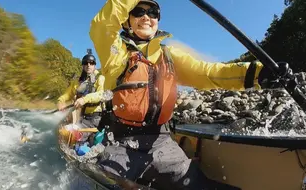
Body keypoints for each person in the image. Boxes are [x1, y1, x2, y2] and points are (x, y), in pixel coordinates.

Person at [89, 0, 293, 189]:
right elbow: (102, 25)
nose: (146, 17)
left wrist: (258, 74)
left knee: (197, 184)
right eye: (138, 11)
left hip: (162, 143)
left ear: (158, 21)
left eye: (152, 12)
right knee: (106, 182)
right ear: (127, 21)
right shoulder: (115, 55)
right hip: (121, 143)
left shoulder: (170, 56)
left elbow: (211, 73)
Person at [57, 49, 105, 143]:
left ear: (94, 65)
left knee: (77, 136)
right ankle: (74, 138)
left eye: (91, 63)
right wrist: (60, 101)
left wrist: (84, 99)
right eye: (86, 63)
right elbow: (66, 95)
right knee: (65, 131)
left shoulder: (100, 78)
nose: (88, 65)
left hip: (95, 118)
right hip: (81, 116)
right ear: (83, 65)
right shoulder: (77, 82)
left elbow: (100, 94)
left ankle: (81, 140)